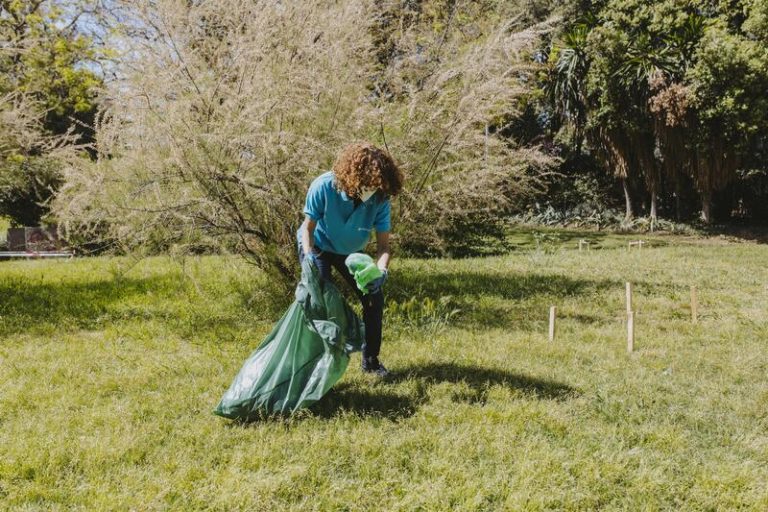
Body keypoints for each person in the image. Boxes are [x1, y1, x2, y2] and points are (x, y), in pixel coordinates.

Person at [297, 142, 404, 377]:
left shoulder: (380, 199)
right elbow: (308, 229)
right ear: (355, 176)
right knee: (320, 300)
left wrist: (381, 272)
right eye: (369, 184)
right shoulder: (324, 185)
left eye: (378, 186)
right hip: (319, 246)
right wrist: (308, 257)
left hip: (351, 253)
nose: (372, 190)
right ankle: (315, 363)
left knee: (374, 299)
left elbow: (384, 247)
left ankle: (371, 361)